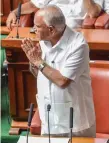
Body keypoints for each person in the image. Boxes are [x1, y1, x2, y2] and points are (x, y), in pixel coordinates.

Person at [21, 5, 96, 137]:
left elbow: (62, 81)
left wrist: (38, 61)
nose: (34, 30)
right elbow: (40, 74)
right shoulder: (44, 41)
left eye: (37, 26)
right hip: (48, 120)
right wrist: (34, 63)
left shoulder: (78, 46)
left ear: (51, 30)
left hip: (75, 124)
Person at [7, 0, 103, 30]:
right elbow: (32, 5)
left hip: (72, 33)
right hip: (47, 31)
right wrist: (14, 12)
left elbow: (93, 12)